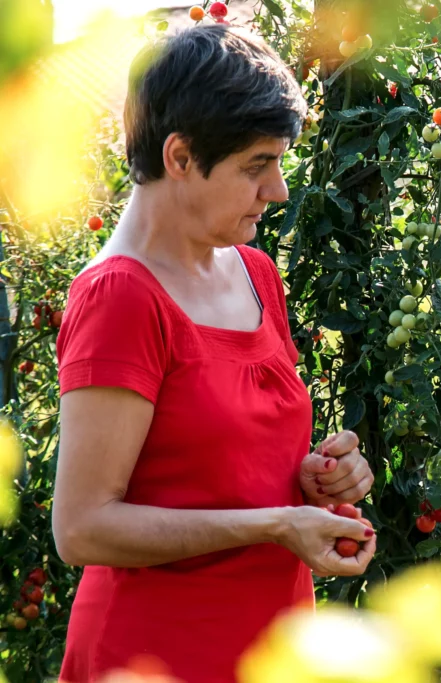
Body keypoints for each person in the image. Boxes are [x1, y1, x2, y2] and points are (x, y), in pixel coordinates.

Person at [52, 26, 375, 683]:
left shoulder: (258, 276)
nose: (278, 190)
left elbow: (228, 465)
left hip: (269, 642)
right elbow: (81, 527)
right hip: (156, 655)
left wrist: (315, 478)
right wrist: (276, 522)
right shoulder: (121, 296)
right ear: (180, 156)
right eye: (257, 165)